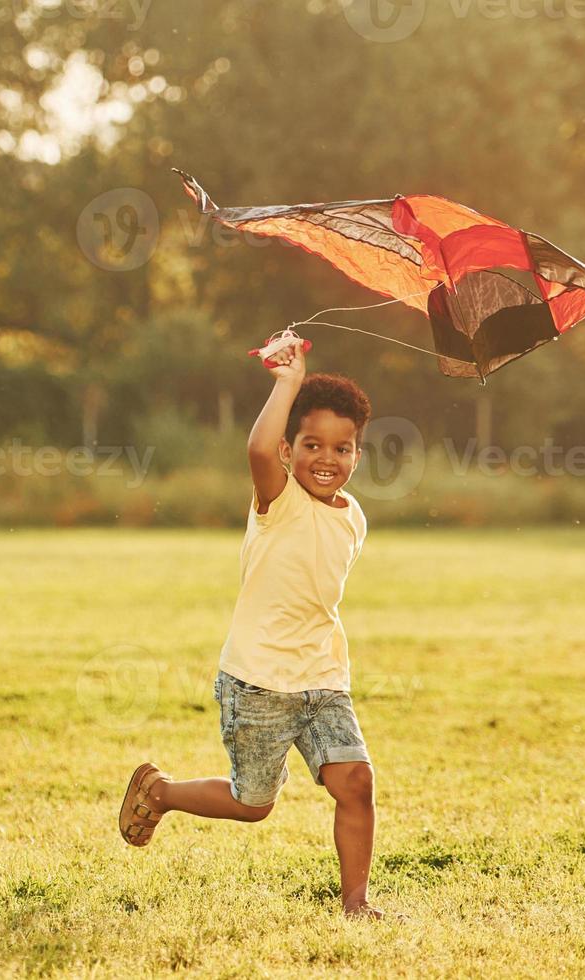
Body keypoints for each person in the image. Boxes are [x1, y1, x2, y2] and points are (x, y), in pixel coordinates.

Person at [117, 338, 386, 919]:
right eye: (311, 444)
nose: (326, 458)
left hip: (322, 679)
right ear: (290, 451)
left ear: (357, 456)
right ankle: (158, 791)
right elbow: (258, 447)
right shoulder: (279, 500)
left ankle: (357, 905)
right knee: (253, 804)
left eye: (342, 448)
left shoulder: (354, 516)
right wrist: (287, 381)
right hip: (258, 680)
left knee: (356, 783)